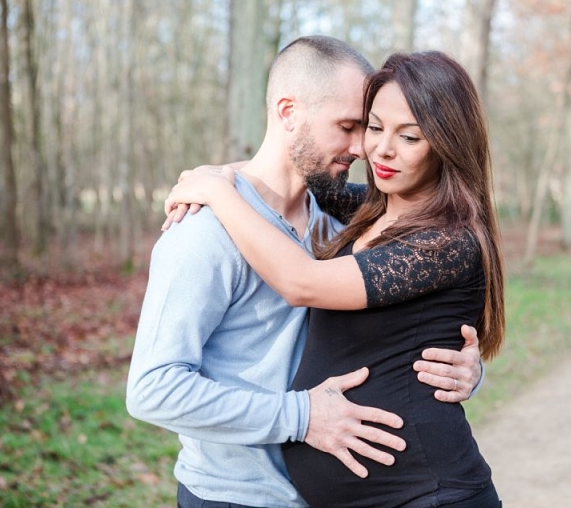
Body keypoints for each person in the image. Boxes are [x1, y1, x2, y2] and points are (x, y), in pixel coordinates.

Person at [127, 36, 484, 508]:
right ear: (289, 112)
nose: (365, 148)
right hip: (238, 497)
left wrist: (466, 370)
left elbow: (404, 329)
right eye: (351, 126)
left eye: (369, 127)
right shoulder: (204, 232)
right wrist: (301, 416)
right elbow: (153, 390)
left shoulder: (345, 220)